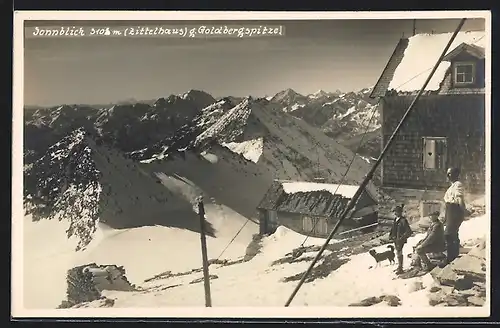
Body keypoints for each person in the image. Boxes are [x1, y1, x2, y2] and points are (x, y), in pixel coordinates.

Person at [443, 167, 467, 264]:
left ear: (456, 175)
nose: (448, 176)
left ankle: (451, 257)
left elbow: (460, 200)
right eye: (448, 173)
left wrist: (464, 211)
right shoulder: (452, 186)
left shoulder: (458, 185)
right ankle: (452, 256)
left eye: (451, 173)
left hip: (455, 211)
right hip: (450, 211)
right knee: (452, 234)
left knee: (449, 234)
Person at [388, 204, 413, 274]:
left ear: (400, 212)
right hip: (395, 239)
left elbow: (409, 231)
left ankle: (400, 268)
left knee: (399, 252)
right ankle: (399, 267)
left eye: (397, 212)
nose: (395, 213)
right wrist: (391, 235)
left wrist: (402, 238)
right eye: (395, 212)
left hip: (400, 240)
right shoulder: (395, 219)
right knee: (397, 252)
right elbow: (393, 228)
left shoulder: (403, 220)